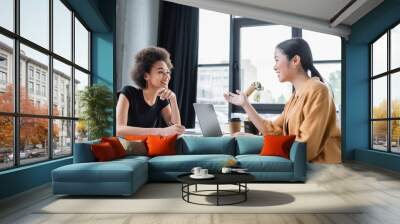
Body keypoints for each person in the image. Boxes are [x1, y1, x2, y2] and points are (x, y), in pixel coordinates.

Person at [224, 38, 341, 163]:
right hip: (302, 167)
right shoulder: (295, 96)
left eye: (277, 60)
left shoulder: (318, 90)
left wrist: (259, 141)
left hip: (322, 169)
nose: (275, 66)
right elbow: (274, 130)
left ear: (295, 60)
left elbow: (305, 148)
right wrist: (245, 104)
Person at [116, 46, 185, 136]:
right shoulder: (128, 92)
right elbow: (119, 129)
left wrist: (173, 99)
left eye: (167, 72)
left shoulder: (161, 100)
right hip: (126, 146)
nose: (167, 76)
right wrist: (160, 131)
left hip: (147, 147)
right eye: (160, 72)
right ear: (146, 76)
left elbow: (176, 130)